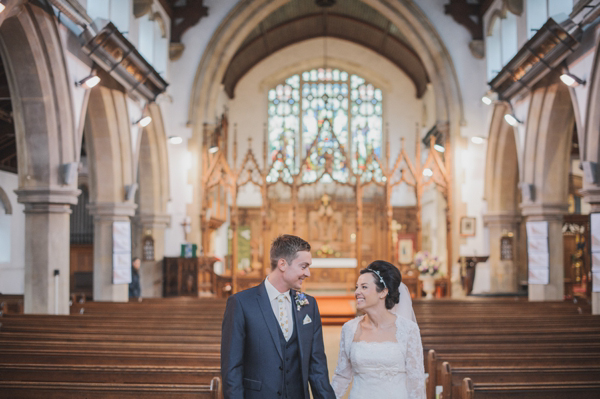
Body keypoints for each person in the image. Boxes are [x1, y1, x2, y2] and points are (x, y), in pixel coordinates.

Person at [221, 234, 336, 399]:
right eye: (303, 266)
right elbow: (232, 367)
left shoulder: (309, 306)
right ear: (282, 264)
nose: (308, 273)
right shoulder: (241, 303)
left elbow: (317, 367)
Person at [331, 260, 425, 399]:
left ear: (383, 292)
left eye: (364, 287)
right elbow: (342, 376)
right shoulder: (349, 329)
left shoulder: (408, 329)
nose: (357, 292)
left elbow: (415, 380)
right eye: (357, 287)